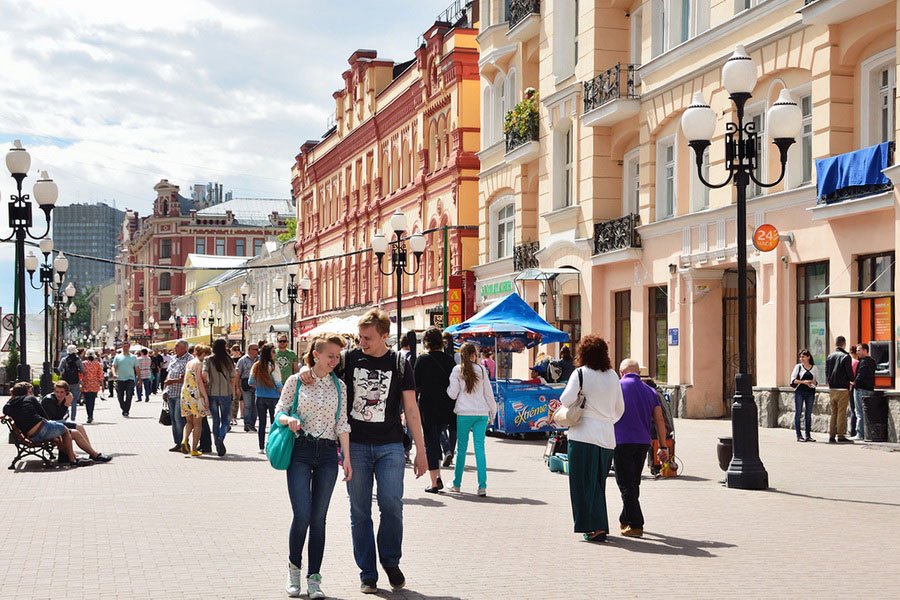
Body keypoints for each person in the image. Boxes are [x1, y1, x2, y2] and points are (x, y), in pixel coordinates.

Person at [299, 308, 427, 594]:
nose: (362, 343)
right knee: (359, 511)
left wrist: (421, 450)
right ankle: (368, 573)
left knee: (392, 505)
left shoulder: (400, 364)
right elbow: (319, 368)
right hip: (354, 446)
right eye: (360, 337)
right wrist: (306, 371)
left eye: (367, 338)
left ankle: (391, 562)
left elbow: (411, 410)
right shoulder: (347, 360)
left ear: (384, 336)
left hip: (391, 446)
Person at [278, 335, 352, 599]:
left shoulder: (340, 386)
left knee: (319, 519)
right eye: (330, 355)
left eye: (337, 357)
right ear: (316, 354)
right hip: (301, 451)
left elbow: (342, 423)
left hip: (328, 455)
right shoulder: (296, 381)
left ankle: (314, 579)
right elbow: (280, 410)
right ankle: (294, 570)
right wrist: (289, 420)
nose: (334, 361)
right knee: (302, 516)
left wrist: (348, 460)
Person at [558, 335, 624, 543]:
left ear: (583, 353)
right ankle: (599, 525)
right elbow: (620, 409)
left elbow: (566, 399)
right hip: (606, 436)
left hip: (583, 435)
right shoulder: (613, 376)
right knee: (597, 484)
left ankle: (593, 527)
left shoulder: (580, 373)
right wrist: (606, 420)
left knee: (581, 484)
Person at [615, 359, 668, 538]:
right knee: (634, 482)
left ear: (621, 372)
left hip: (621, 440)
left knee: (624, 483)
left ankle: (636, 524)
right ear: (639, 373)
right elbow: (660, 420)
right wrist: (663, 446)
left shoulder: (617, 387)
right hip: (643, 442)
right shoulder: (650, 391)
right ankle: (625, 517)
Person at [446, 342, 497, 496]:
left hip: (464, 413)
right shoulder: (481, 370)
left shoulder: (457, 370)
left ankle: (457, 483)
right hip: (481, 413)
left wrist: (449, 387)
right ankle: (482, 486)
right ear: (474, 355)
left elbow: (452, 394)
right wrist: (492, 413)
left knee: (461, 450)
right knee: (480, 449)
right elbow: (488, 393)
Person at [3, 382, 93, 467]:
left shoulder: (8, 406)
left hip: (29, 435)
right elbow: (44, 416)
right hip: (41, 430)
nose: (31, 393)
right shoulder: (30, 399)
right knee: (66, 430)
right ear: (25, 392)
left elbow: (6, 409)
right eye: (29, 391)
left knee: (70, 432)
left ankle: (71, 457)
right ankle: (73, 459)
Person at [414, 327, 457, 493]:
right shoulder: (450, 360)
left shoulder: (422, 360)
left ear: (426, 342)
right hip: (447, 405)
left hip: (428, 406)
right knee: (441, 437)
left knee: (431, 442)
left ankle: (435, 480)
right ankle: (442, 474)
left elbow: (415, 385)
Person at [40, 381, 113, 463]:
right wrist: (66, 404)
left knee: (79, 426)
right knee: (76, 430)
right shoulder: (49, 400)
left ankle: (91, 452)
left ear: (66, 392)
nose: (59, 394)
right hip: (49, 425)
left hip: (57, 423)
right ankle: (93, 454)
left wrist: (65, 403)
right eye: (57, 392)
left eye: (62, 392)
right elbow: (56, 416)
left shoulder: (64, 398)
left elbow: (61, 417)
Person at [203, 338, 237, 456]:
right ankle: (220, 438)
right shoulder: (229, 360)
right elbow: (233, 378)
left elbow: (204, 374)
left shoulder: (208, 359)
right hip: (226, 393)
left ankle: (216, 440)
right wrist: (233, 392)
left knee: (215, 420)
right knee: (226, 420)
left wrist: (208, 383)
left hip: (212, 393)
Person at [250, 343, 283, 453]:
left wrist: (260, 386)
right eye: (273, 351)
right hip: (273, 397)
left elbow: (251, 382)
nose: (275, 353)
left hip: (259, 396)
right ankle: (273, 445)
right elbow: (278, 383)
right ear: (268, 353)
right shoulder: (273, 366)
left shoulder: (256, 365)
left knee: (262, 423)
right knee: (274, 422)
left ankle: (261, 447)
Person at [181, 344, 210, 456]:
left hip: (186, 393)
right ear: (203, 354)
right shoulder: (199, 363)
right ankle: (193, 449)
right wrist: (205, 397)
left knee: (189, 422)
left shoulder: (189, 363)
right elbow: (199, 381)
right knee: (197, 423)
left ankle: (184, 439)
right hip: (196, 395)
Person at [825, 336, 854, 444]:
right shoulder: (846, 357)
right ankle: (840, 435)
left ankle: (831, 436)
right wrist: (852, 379)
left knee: (834, 413)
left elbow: (827, 373)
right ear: (844, 343)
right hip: (842, 388)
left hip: (832, 389)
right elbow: (850, 373)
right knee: (841, 413)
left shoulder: (829, 356)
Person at [163, 340, 191, 453]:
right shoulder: (174, 358)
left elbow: (187, 377)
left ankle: (184, 443)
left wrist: (173, 381)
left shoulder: (189, 359)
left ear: (184, 348)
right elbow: (169, 374)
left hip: (182, 393)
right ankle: (177, 442)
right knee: (174, 420)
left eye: (177, 347)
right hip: (171, 393)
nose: (175, 349)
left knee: (179, 419)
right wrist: (165, 390)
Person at [789, 349, 819, 442]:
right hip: (800, 392)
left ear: (808, 357)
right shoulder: (798, 367)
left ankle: (808, 435)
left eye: (803, 356)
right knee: (798, 413)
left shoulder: (814, 368)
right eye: (800, 357)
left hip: (810, 392)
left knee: (808, 414)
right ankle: (799, 435)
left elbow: (816, 381)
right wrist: (803, 382)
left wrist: (812, 382)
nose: (801, 358)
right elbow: (793, 380)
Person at [854, 343, 876, 441]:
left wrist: (855, 385)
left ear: (865, 350)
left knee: (859, 412)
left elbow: (860, 375)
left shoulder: (863, 362)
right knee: (867, 413)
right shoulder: (872, 361)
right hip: (869, 389)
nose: (857, 352)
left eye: (859, 350)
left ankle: (860, 434)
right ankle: (867, 434)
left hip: (861, 389)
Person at [112, 341, 139, 417]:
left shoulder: (133, 357)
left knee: (129, 395)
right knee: (120, 396)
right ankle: (124, 407)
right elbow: (114, 366)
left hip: (130, 379)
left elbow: (137, 368)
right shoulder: (118, 357)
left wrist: (139, 379)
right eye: (124, 346)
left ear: (129, 347)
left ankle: (126, 410)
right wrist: (114, 374)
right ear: (122, 347)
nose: (125, 348)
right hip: (120, 379)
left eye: (127, 346)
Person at [237, 343, 259, 432]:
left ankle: (252, 424)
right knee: (248, 405)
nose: (257, 351)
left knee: (256, 405)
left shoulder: (260, 359)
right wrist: (238, 386)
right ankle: (247, 424)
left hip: (258, 385)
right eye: (255, 349)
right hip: (246, 384)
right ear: (249, 350)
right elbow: (238, 374)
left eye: (257, 349)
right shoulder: (242, 360)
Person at [58, 345, 84, 421]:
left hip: (66, 383)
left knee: (65, 400)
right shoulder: (78, 360)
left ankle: (66, 415)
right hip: (75, 382)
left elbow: (59, 369)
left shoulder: (64, 359)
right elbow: (83, 370)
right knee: (74, 401)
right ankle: (73, 418)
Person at [81, 350, 104, 424]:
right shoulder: (98, 364)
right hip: (94, 385)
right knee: (92, 401)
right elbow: (100, 376)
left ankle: (89, 416)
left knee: (87, 401)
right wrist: (102, 385)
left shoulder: (83, 364)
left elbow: (80, 374)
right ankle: (91, 415)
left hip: (85, 384)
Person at [230, 344, 243, 425]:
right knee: (231, 399)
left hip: (239, 381)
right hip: (231, 381)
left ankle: (234, 416)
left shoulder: (241, 360)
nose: (237, 351)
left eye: (238, 349)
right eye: (235, 349)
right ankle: (231, 417)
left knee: (237, 400)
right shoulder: (230, 360)